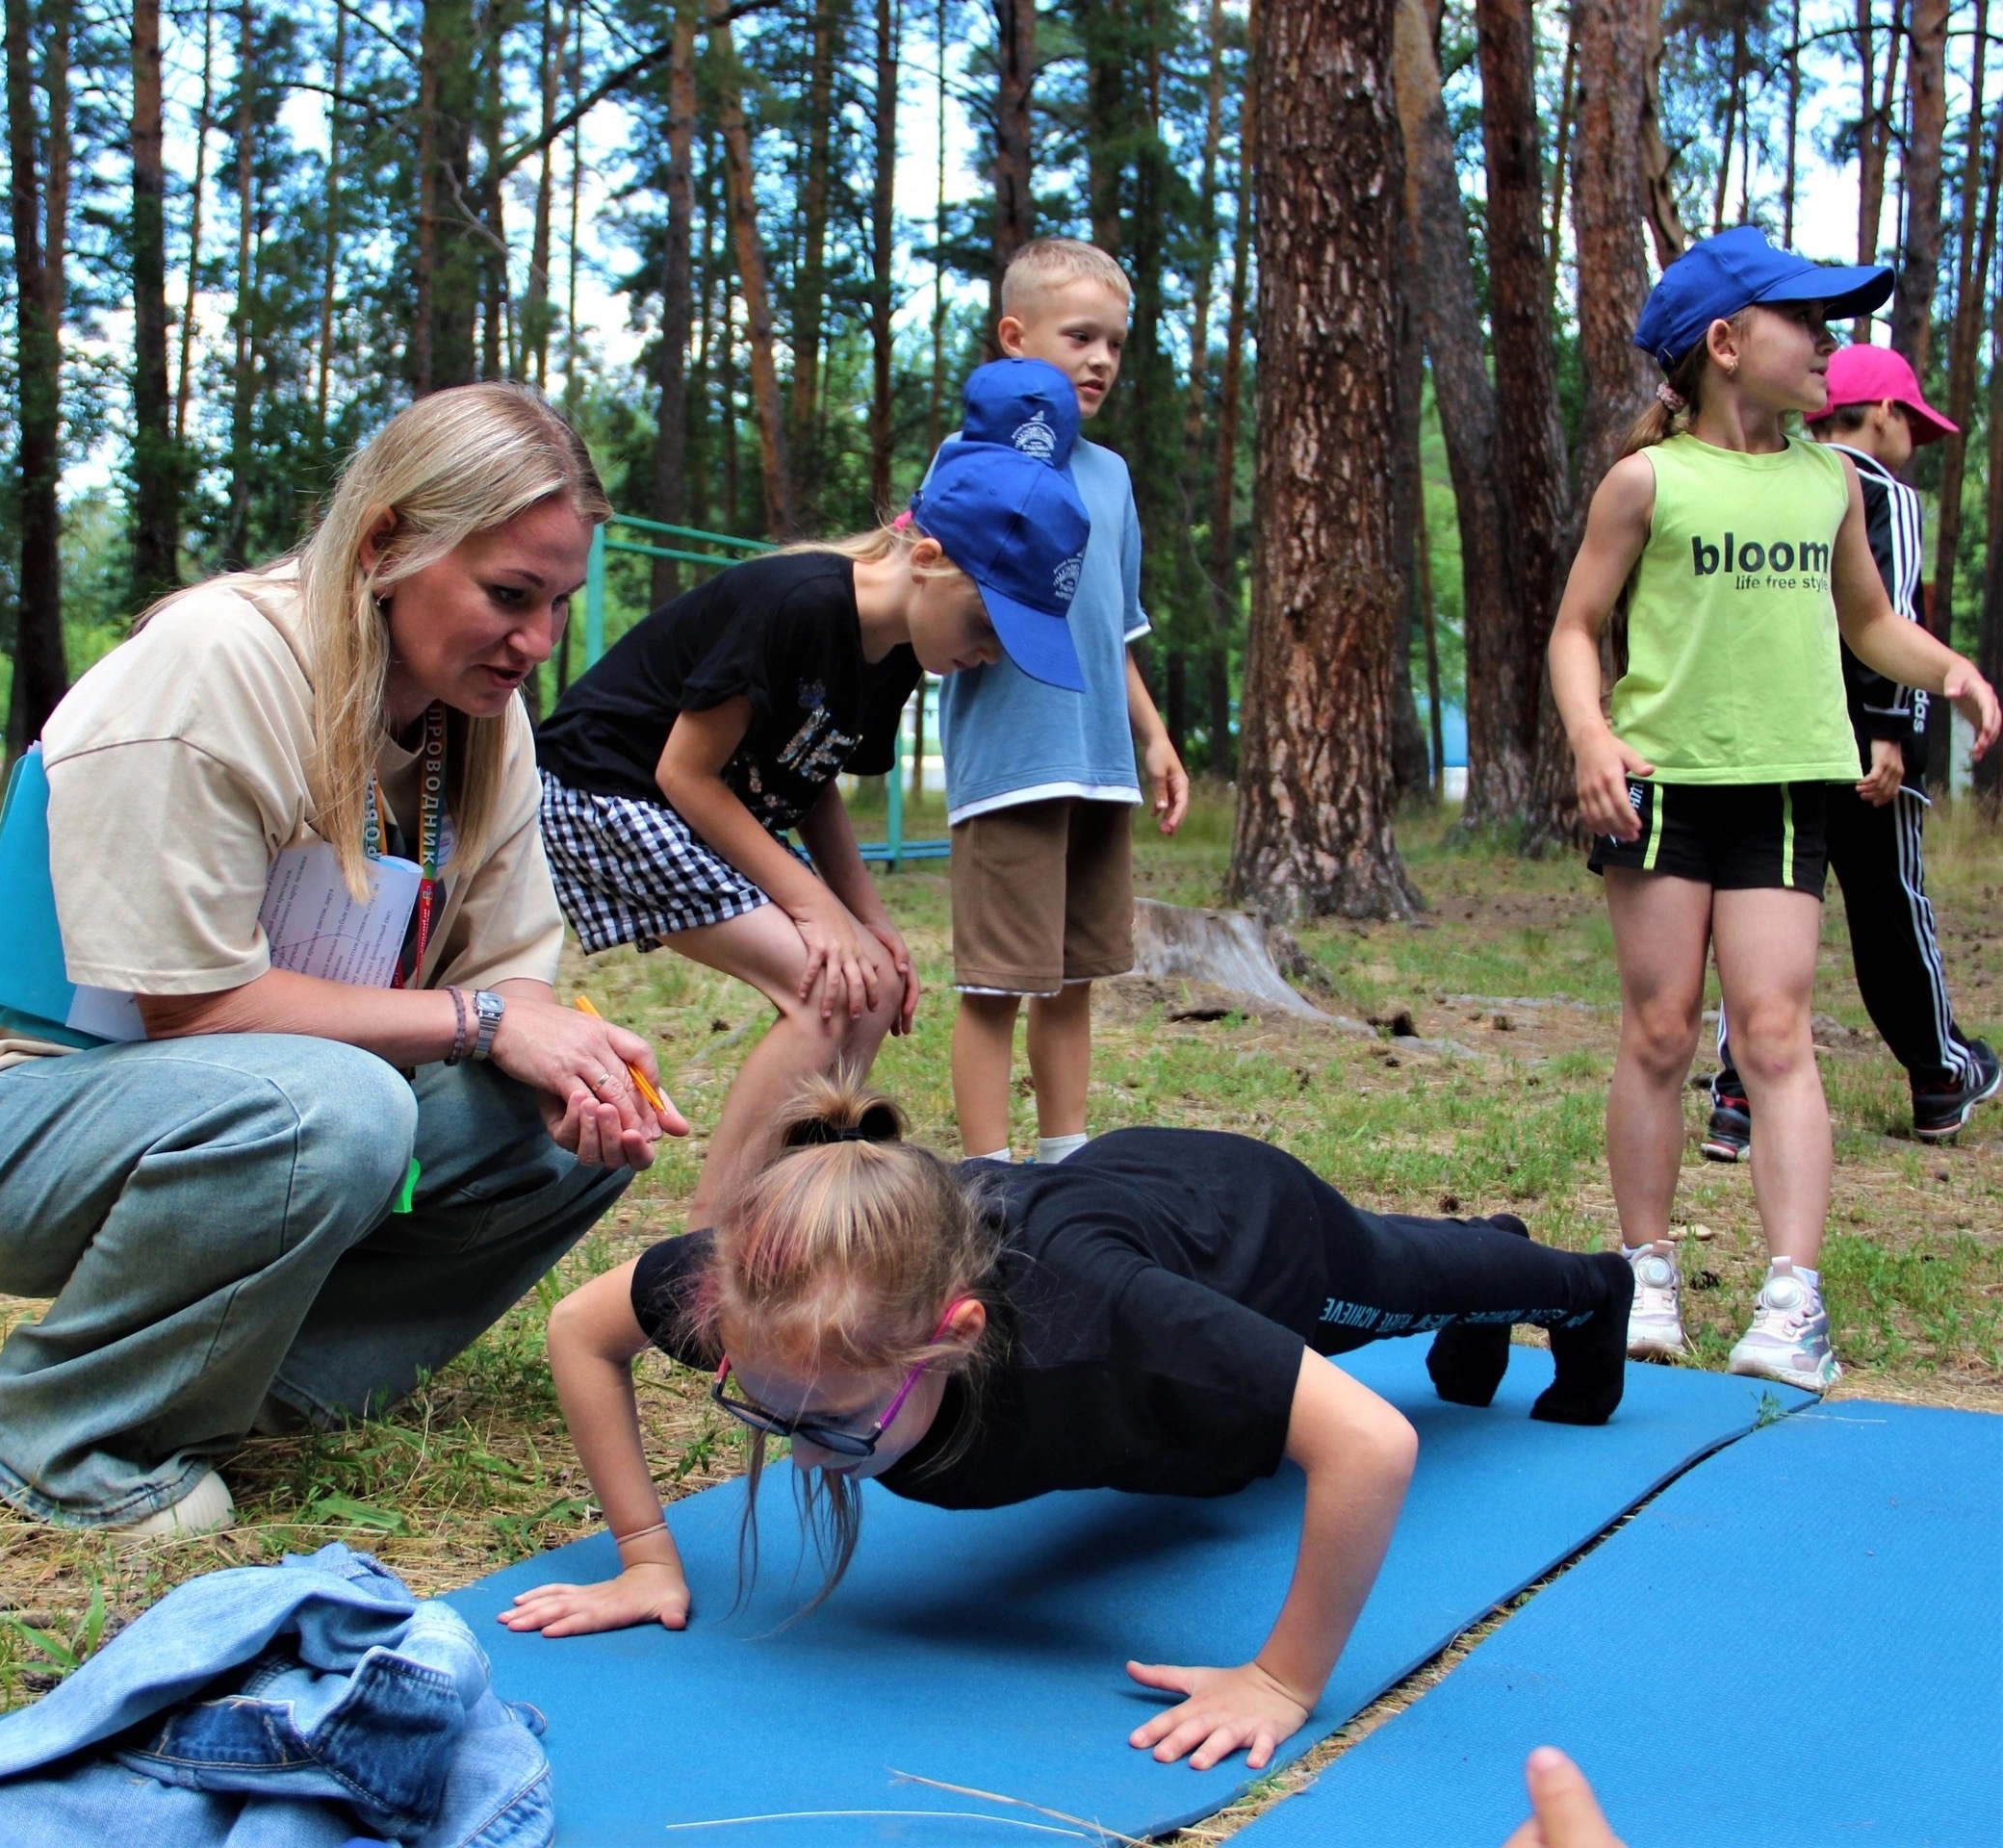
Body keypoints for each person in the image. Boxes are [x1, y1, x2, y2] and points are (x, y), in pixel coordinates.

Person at [0, 385, 688, 1537]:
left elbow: (514, 975)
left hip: (259, 1094)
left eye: (556, 603)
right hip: (1, 1118)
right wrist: (484, 1024)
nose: (537, 644)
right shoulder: (216, 665)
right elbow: (194, 1013)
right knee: (336, 1107)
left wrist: (553, 1046)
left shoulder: (480, 719)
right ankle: (63, 1435)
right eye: (509, 596)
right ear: (384, 544)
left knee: (583, 1105)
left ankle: (259, 1390)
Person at [500, 1084, 1632, 1774]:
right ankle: (1483, 1282)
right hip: (1095, 1205)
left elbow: (1370, 1444)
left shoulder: (1106, 1317)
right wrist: (646, 1557)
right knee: (1414, 1292)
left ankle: (1579, 1287)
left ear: (954, 1335)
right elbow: (575, 1332)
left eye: (836, 1424)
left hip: (1234, 1223)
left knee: (1395, 1282)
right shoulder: (775, 1293)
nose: (801, 1450)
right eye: (770, 1408)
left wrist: (1282, 1684)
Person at [1547, 227, 2000, 1393]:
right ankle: (1642, 1272)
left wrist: (1945, 668)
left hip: (1786, 792)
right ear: (1726, 342)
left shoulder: (1828, 481)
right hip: (1662, 791)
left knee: (1775, 1034)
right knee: (1657, 1029)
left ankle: (1788, 1297)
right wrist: (1593, 737)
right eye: (1806, 320)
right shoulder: (1647, 480)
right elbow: (1573, 631)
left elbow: (1865, 621)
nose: (1829, 343)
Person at [535, 359, 1095, 1227]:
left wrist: (868, 918)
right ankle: (716, 1238)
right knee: (819, 985)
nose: (990, 654)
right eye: (988, 625)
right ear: (928, 558)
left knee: (866, 983)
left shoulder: (903, 651)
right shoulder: (798, 603)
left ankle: (796, 1207)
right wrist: (816, 911)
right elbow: (685, 772)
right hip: (605, 792)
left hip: (702, 806)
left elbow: (814, 779)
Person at [1705, 343, 1998, 1158]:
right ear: (1885, 413)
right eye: (1915, 425)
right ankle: (1941, 1075)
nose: (1917, 447)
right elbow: (1886, 612)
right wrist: (1892, 729)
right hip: (1867, 753)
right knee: (1892, 911)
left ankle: (1736, 1093)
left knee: (1757, 911)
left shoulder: (1783, 479)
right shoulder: (1876, 491)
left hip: (1780, 745)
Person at [934, 240, 1190, 1169]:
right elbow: (931, 602)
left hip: (1099, 763)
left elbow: (1115, 627)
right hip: (1009, 766)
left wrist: (1154, 739)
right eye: (1080, 336)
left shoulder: (1112, 476)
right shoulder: (968, 459)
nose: (1101, 360)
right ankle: (989, 1178)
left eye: (1116, 344)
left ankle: (1066, 1161)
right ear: (1014, 338)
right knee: (998, 984)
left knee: (1076, 977)